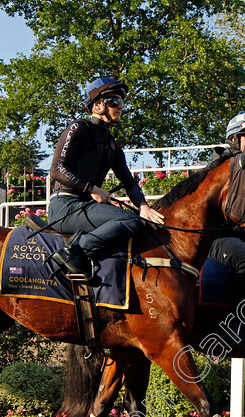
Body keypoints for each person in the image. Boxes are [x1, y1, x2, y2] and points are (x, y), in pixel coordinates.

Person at [47, 77, 165, 277]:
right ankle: (72, 252)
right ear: (97, 105)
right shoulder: (78, 128)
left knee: (138, 219)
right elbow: (57, 170)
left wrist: (143, 205)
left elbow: (128, 182)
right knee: (130, 221)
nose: (119, 106)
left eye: (121, 102)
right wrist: (93, 189)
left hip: (85, 207)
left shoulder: (112, 145)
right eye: (113, 101)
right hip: (64, 207)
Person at [207, 112, 245, 280]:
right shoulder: (218, 167)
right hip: (217, 237)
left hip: (241, 236)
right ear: (233, 139)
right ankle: (237, 306)